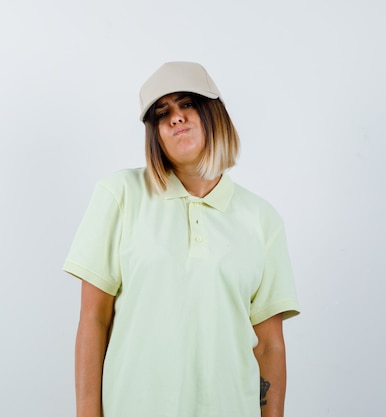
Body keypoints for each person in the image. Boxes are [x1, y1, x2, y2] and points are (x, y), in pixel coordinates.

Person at [63, 61, 300, 417]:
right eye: (162, 112)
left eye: (187, 103)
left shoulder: (262, 219)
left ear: (214, 113)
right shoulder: (120, 195)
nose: (176, 117)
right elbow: (94, 319)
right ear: (154, 133)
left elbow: (268, 346)